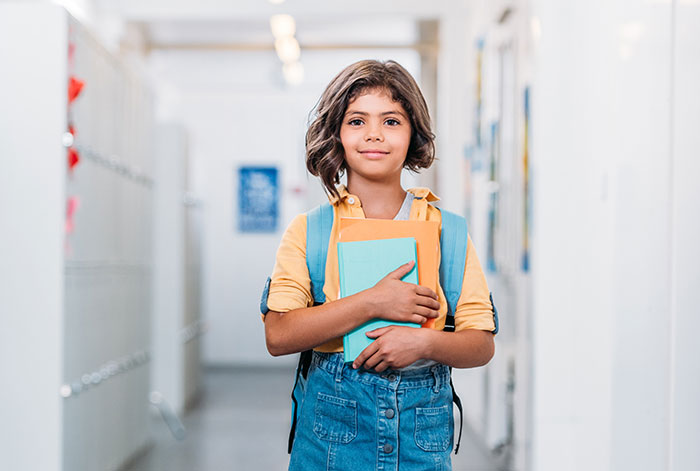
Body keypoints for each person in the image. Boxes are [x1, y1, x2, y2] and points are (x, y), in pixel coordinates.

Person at [262, 59, 496, 471]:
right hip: (331, 437)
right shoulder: (310, 231)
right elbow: (279, 335)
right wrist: (373, 302)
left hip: (422, 437)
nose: (374, 134)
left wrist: (424, 343)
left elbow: (481, 344)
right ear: (336, 133)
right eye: (356, 121)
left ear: (413, 135)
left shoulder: (448, 232)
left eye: (391, 121)